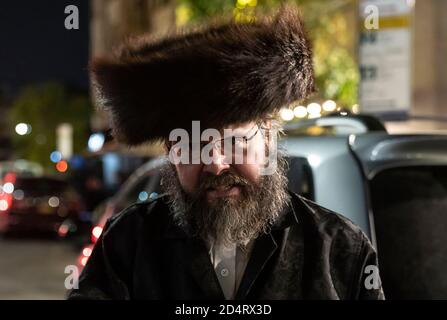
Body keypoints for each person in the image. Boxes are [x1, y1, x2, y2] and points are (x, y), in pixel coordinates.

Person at [68, 7, 384, 300]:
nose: (216, 164)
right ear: (171, 152)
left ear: (269, 139)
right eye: (193, 144)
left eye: (235, 140)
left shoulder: (340, 250)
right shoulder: (127, 244)